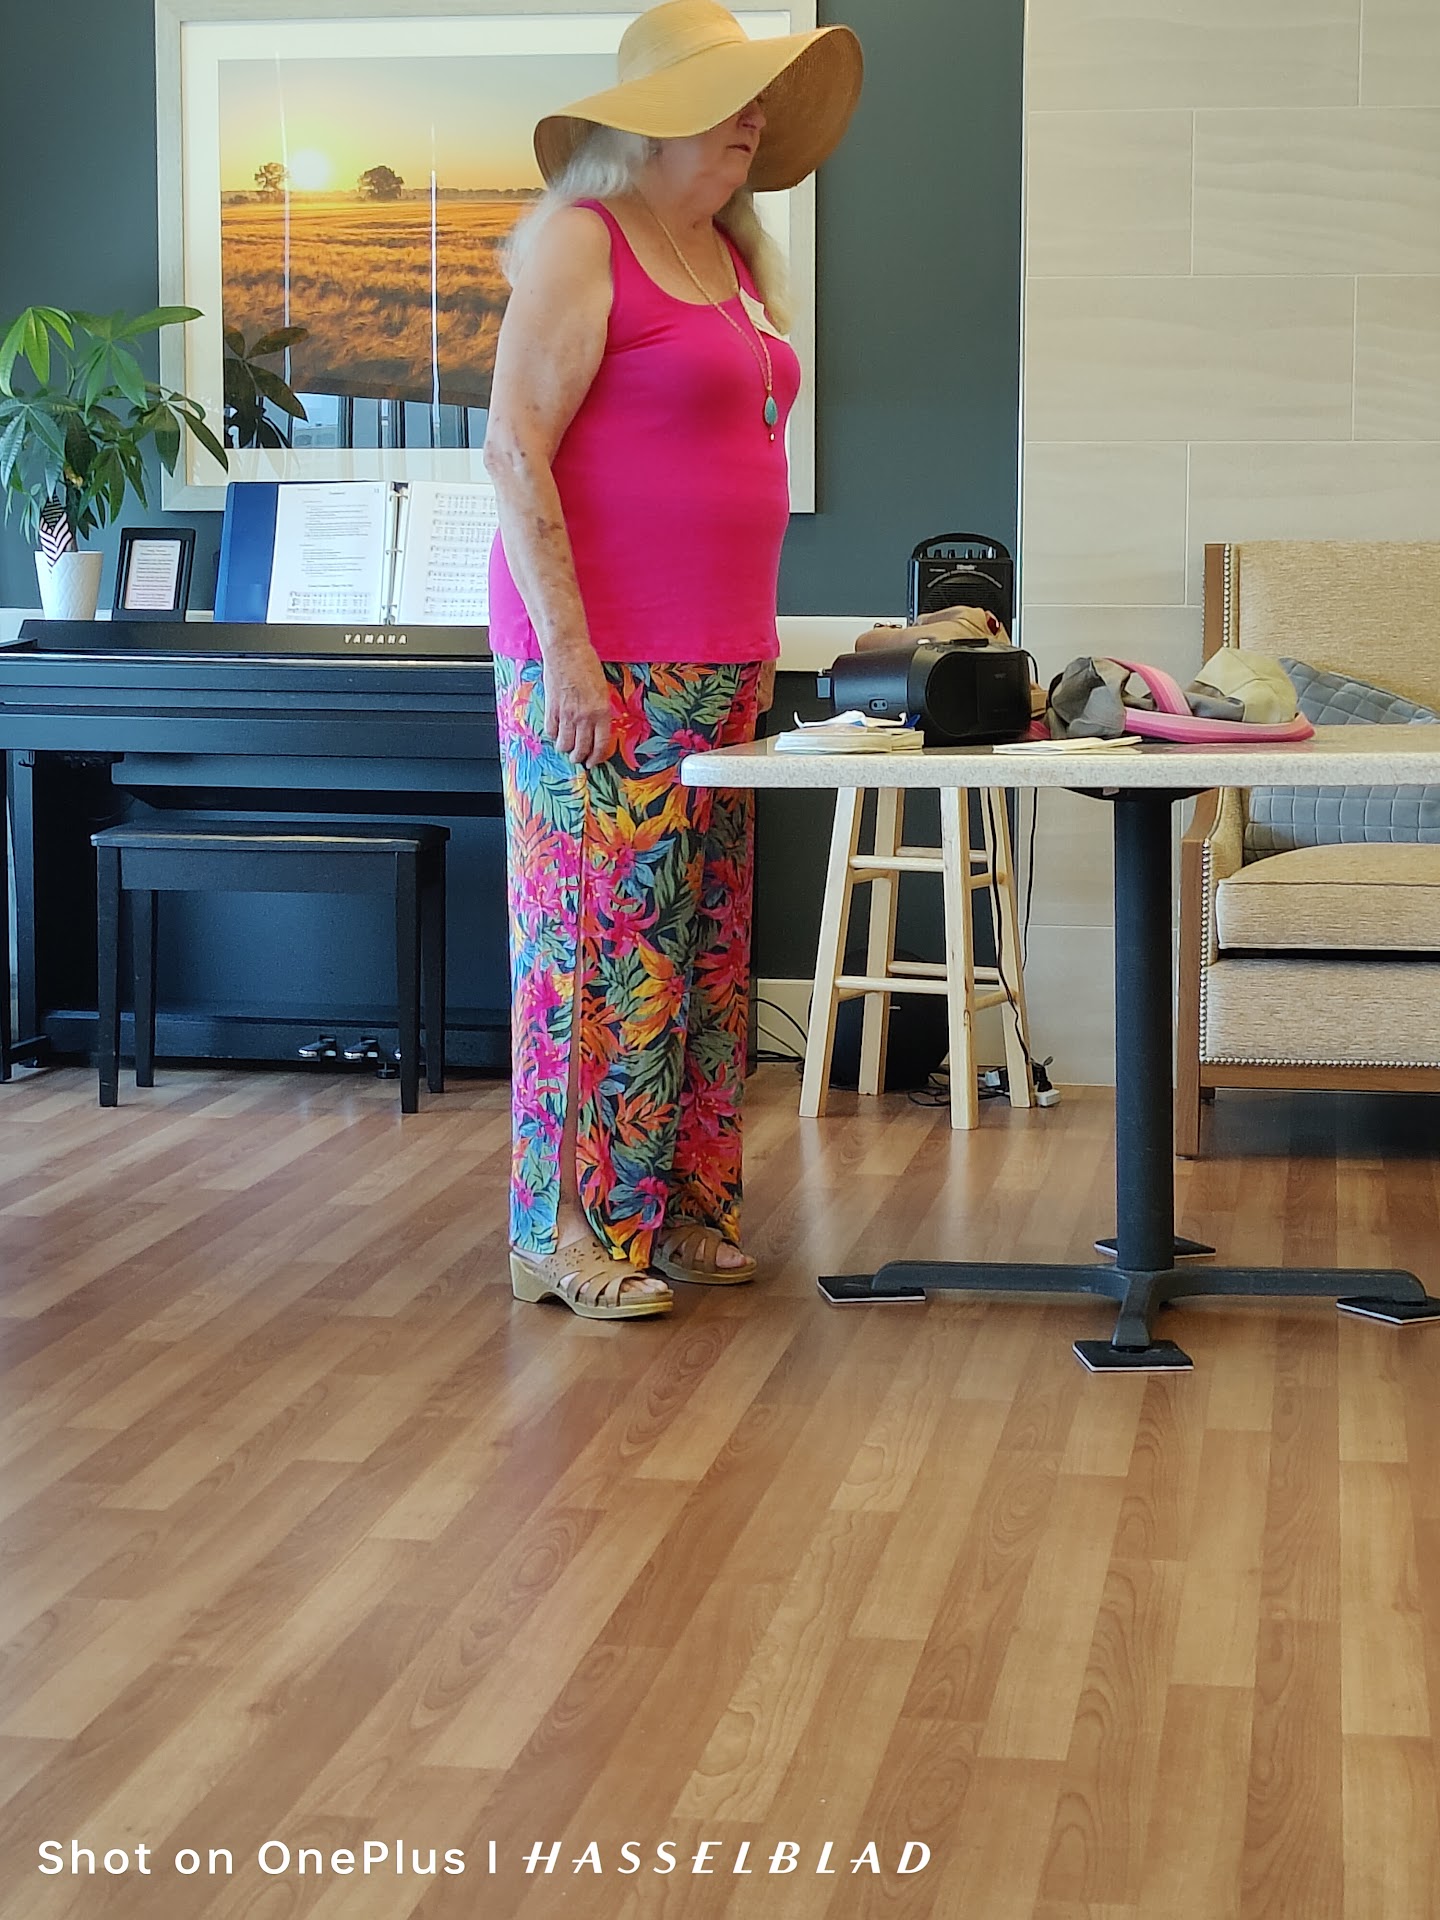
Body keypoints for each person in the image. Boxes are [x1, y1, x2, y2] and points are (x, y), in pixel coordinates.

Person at [485, 0, 863, 1320]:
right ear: (651, 122)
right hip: (606, 662)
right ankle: (565, 1230)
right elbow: (513, 448)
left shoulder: (731, 255)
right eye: (728, 95)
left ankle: (684, 1209)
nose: (753, 117)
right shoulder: (585, 240)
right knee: (599, 946)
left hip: (722, 664)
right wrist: (570, 660)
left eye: (760, 98)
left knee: (702, 949)